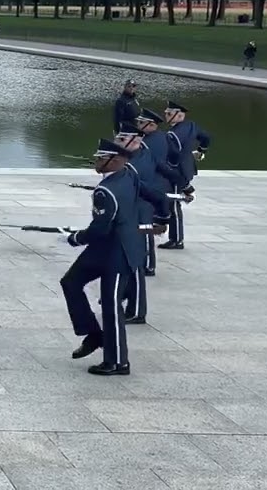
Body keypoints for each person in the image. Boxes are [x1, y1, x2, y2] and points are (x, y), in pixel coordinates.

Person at [59, 139, 168, 376]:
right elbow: (157, 196)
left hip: (120, 253)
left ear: (116, 160)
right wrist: (164, 217)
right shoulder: (129, 173)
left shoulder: (105, 191)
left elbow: (99, 229)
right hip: (104, 249)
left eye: (101, 158)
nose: (96, 162)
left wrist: (75, 237)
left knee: (111, 305)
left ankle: (118, 362)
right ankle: (94, 334)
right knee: (71, 282)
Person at [113, 122, 177, 324]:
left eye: (122, 139)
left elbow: (141, 189)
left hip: (137, 212)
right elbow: (166, 171)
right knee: (127, 262)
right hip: (138, 209)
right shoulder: (142, 153)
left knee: (135, 265)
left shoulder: (133, 165)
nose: (117, 142)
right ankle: (123, 296)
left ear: (136, 141)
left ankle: (137, 310)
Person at [161, 101, 211, 250]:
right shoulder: (191, 125)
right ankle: (175, 238)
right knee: (173, 204)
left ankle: (177, 240)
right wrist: (201, 151)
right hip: (187, 169)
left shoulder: (172, 134)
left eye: (169, 114)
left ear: (179, 115)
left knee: (173, 205)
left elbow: (172, 156)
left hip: (177, 172)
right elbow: (206, 138)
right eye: (166, 113)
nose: (166, 116)